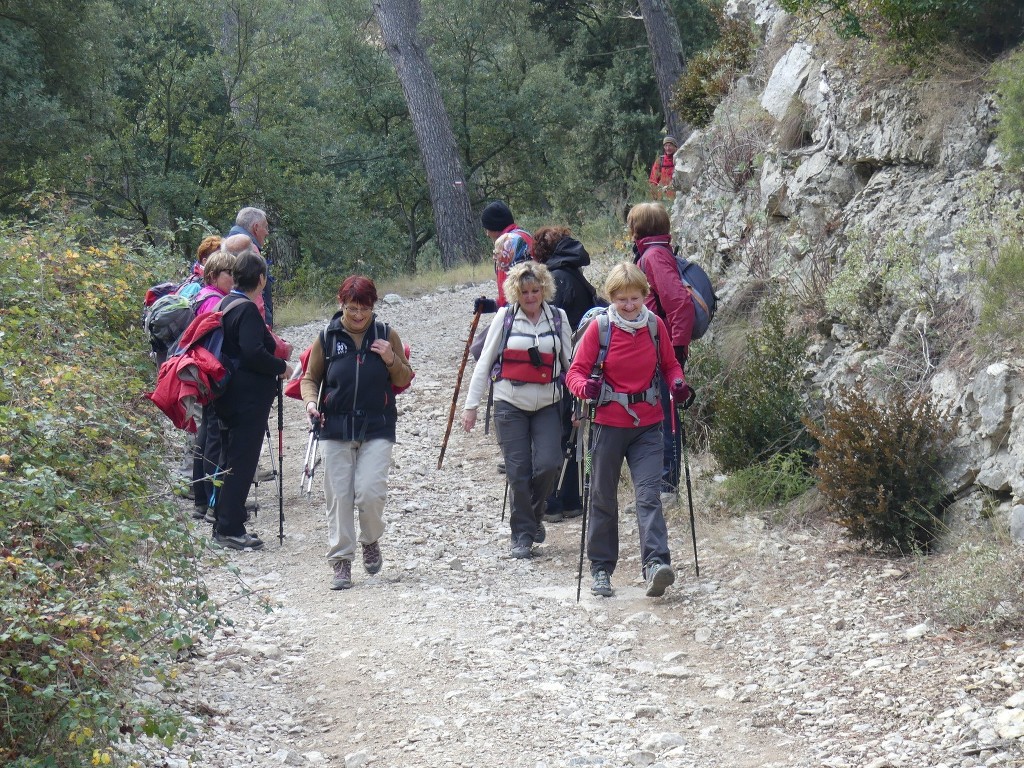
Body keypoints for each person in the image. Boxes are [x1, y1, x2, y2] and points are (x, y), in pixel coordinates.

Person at [565, 262, 689, 598]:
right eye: (622, 299)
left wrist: (677, 383)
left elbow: (669, 364)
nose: (629, 305)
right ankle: (601, 570)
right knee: (603, 497)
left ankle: (656, 565)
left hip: (648, 426)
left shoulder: (654, 325)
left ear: (645, 296)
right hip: (607, 425)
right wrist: (584, 388)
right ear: (612, 298)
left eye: (634, 298)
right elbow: (574, 373)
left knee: (648, 496)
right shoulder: (600, 329)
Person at [300, 276, 413, 590]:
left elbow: (404, 378)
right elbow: (310, 378)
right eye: (352, 308)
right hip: (334, 426)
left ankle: (371, 539)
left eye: (364, 308)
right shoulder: (327, 337)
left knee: (370, 492)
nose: (358, 315)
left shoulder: (387, 334)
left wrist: (390, 357)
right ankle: (341, 562)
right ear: (341, 305)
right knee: (339, 496)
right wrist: (311, 403)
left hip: (377, 425)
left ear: (373, 306)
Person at [461, 262, 572, 559]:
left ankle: (533, 517)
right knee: (518, 471)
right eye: (525, 291)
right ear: (515, 292)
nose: (531, 297)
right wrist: (470, 407)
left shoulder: (558, 319)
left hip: (548, 403)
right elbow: (484, 363)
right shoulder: (505, 317)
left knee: (549, 463)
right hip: (509, 404)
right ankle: (522, 534)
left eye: (536, 290)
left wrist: (580, 406)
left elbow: (570, 366)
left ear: (544, 289)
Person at [212, 247, 293, 551]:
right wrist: (282, 368)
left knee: (231, 459)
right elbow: (252, 352)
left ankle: (225, 522)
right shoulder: (245, 309)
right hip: (245, 398)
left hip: (228, 394)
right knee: (242, 462)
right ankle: (230, 528)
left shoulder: (226, 302)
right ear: (261, 279)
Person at [531, 225, 604, 523]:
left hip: (562, 368)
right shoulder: (575, 274)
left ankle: (554, 501)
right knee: (574, 432)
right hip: (582, 365)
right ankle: (573, 499)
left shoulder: (556, 280)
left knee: (557, 433)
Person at [628, 202, 695, 501]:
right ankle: (660, 485)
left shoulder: (653, 256)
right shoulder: (656, 253)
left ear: (639, 228)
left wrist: (676, 350)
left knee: (665, 417)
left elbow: (679, 302)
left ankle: (667, 487)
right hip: (656, 347)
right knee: (657, 415)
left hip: (661, 349)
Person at [189, 248, 236, 523]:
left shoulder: (202, 297)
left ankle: (200, 501)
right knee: (213, 441)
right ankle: (209, 502)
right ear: (214, 275)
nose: (233, 278)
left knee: (205, 436)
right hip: (212, 376)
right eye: (228, 273)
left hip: (204, 375)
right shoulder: (214, 302)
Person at [473, 201, 534, 314]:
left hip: (520, 311)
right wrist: (492, 305)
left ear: (495, 226)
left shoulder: (505, 245)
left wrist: (499, 307)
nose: (487, 234)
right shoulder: (525, 235)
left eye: (487, 228)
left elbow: (506, 294)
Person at [227, 207, 275, 328]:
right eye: (265, 227)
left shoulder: (227, 245)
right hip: (251, 320)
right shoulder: (249, 251)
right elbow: (255, 292)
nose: (267, 232)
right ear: (256, 227)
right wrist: (265, 326)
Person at [649, 136, 678, 200]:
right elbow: (653, 180)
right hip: (662, 196)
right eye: (666, 146)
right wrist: (654, 197)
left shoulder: (680, 159)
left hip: (677, 197)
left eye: (670, 145)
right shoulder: (660, 160)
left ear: (675, 147)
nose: (667, 148)